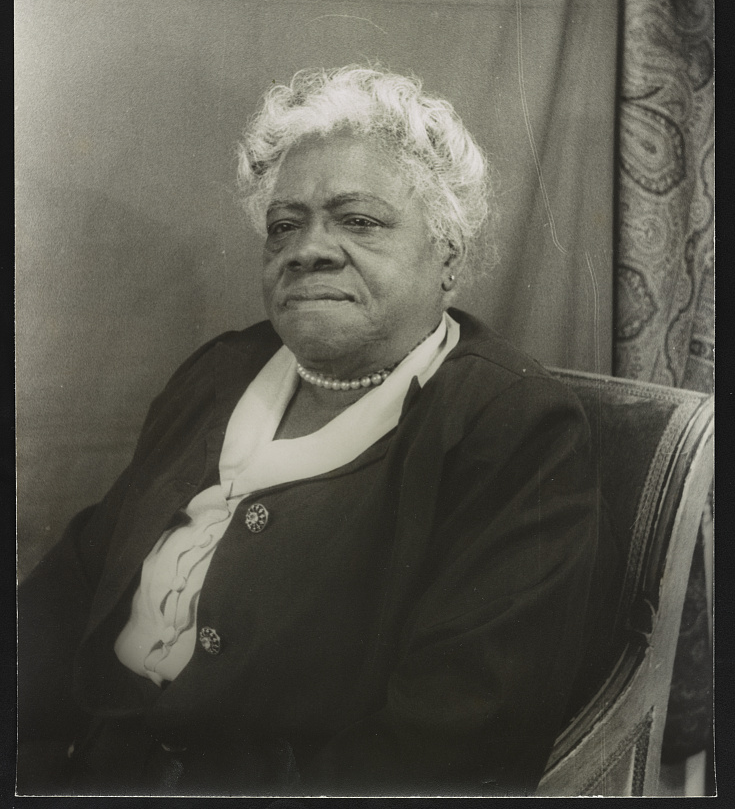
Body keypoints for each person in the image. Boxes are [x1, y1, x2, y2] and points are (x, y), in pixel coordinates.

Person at [17, 65, 612, 796]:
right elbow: (73, 588)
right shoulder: (220, 373)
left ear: (448, 255)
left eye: (357, 220)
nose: (309, 248)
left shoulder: (510, 427)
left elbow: (456, 741)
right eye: (285, 225)